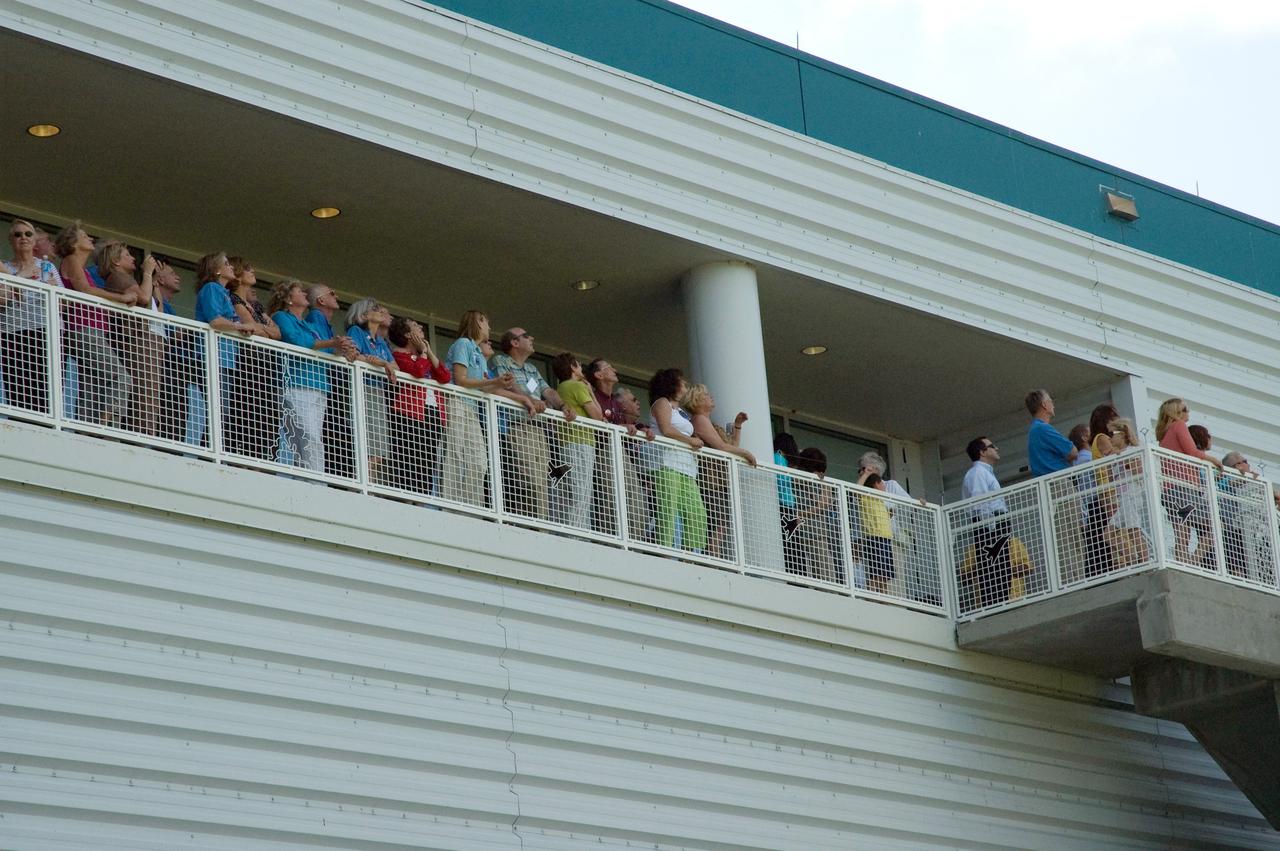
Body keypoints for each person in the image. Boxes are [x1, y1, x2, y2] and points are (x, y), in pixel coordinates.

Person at [490, 327, 575, 520]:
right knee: (528, 477)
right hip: (517, 426)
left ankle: (540, 525)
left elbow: (548, 391)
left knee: (541, 480)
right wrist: (531, 399)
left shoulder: (532, 369)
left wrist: (563, 406)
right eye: (527, 336)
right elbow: (510, 384)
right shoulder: (500, 361)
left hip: (538, 429)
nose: (532, 338)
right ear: (515, 342)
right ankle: (527, 522)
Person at [56, 222, 135, 427]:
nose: (90, 238)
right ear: (73, 243)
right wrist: (122, 298)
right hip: (83, 328)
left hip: (89, 329)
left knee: (92, 384)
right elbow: (85, 290)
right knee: (121, 377)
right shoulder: (72, 260)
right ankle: (109, 425)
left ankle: (88, 430)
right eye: (84, 235)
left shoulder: (81, 267)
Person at [442, 310, 519, 506]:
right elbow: (460, 379)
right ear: (476, 323)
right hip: (457, 403)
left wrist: (501, 384)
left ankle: (471, 507)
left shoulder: (479, 353)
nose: (489, 327)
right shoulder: (463, 344)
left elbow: (484, 386)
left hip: (472, 409)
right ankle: (452, 507)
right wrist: (495, 380)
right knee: (455, 456)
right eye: (486, 322)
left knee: (479, 462)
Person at [96, 240, 162, 436]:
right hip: (135, 342)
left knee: (148, 395)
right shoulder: (119, 277)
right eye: (127, 255)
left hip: (138, 340)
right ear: (116, 261)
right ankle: (139, 438)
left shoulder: (124, 277)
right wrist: (148, 273)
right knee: (144, 394)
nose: (134, 258)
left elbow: (153, 304)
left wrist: (153, 281)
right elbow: (143, 298)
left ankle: (142, 436)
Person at [268, 280, 335, 472]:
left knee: (312, 437)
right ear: (289, 298)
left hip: (319, 385)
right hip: (297, 383)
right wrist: (327, 343)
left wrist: (341, 348)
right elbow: (296, 340)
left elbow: (326, 349)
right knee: (308, 436)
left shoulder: (307, 324)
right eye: (300, 291)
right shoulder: (281, 316)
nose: (305, 293)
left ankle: (308, 479)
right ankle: (316, 481)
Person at [684, 382, 754, 559]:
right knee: (716, 525)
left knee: (720, 525)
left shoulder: (708, 422)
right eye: (706, 394)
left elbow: (730, 447)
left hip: (718, 481)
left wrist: (737, 426)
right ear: (697, 400)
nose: (710, 396)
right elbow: (721, 447)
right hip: (710, 481)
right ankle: (711, 560)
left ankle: (712, 558)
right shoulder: (699, 420)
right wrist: (747, 454)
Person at [194, 251, 254, 455]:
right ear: (217, 270)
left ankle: (214, 453)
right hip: (212, 356)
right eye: (226, 264)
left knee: (221, 410)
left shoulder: (224, 293)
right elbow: (215, 320)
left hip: (225, 359)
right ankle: (210, 455)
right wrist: (239, 326)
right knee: (218, 410)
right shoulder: (212, 288)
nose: (231, 267)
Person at [386, 316, 451, 497]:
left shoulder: (424, 356)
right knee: (410, 459)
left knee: (428, 461)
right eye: (416, 326)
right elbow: (418, 371)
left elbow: (445, 377)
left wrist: (428, 352)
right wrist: (423, 354)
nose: (421, 327)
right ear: (408, 335)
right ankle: (408, 499)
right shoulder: (398, 355)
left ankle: (422, 499)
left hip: (433, 413)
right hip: (410, 412)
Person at [1, 219, 60, 414]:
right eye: (17, 235)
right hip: (13, 331)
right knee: (17, 383)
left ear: (34, 241)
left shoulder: (47, 267)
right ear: (11, 240)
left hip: (44, 328)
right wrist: (23, 275)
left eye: (28, 234)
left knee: (44, 382)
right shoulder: (5, 267)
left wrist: (52, 290)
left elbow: (63, 301)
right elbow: (2, 298)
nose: (23, 238)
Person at [1156, 398, 1223, 566]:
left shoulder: (1164, 436)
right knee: (1215, 524)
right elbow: (1192, 452)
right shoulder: (1178, 426)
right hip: (1184, 488)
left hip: (1171, 490)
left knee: (1182, 531)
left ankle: (1184, 563)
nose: (1188, 412)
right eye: (1185, 409)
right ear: (1176, 412)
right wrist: (1212, 459)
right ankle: (1192, 561)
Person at [649, 368, 706, 553]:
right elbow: (666, 429)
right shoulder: (662, 403)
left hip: (686, 467)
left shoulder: (680, 411)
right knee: (668, 509)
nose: (686, 386)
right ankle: (665, 553)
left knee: (696, 512)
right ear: (672, 384)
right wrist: (691, 441)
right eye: (683, 382)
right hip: (667, 463)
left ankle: (690, 555)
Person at [152, 262, 208, 447]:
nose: (178, 277)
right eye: (172, 273)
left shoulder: (169, 307)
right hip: (168, 368)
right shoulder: (159, 303)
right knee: (171, 413)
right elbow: (169, 332)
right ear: (159, 279)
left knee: (182, 412)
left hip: (180, 368)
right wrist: (192, 332)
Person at [305, 283, 356, 476]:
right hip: (320, 382)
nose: (336, 295)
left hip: (326, 384)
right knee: (324, 433)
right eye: (331, 293)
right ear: (321, 301)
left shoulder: (324, 321)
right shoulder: (315, 317)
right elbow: (322, 348)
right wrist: (339, 349)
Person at [346, 299, 399, 484]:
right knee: (366, 444)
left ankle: (369, 484)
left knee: (378, 448)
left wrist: (377, 361)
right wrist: (382, 363)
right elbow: (355, 356)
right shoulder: (356, 331)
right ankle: (362, 486)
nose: (380, 311)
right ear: (363, 315)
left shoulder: (381, 342)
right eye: (374, 309)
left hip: (378, 392)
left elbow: (396, 366)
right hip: (363, 389)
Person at [550, 352, 603, 530]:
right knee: (582, 491)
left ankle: (574, 531)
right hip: (581, 442)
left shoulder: (561, 388)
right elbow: (598, 416)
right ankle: (578, 533)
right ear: (573, 367)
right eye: (579, 365)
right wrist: (590, 392)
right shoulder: (576, 386)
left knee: (572, 490)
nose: (581, 368)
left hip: (566, 443)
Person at [962, 436, 1012, 609]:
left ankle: (1002, 604)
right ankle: (996, 606)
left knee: (1002, 568)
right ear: (982, 452)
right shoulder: (978, 473)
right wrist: (992, 527)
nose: (996, 449)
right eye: (992, 446)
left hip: (994, 523)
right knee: (993, 569)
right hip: (990, 525)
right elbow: (980, 501)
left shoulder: (985, 472)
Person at [1104, 418, 1150, 568]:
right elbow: (1112, 478)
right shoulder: (1114, 455)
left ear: (1122, 435)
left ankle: (1144, 561)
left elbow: (1139, 470)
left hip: (1132, 496)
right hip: (1121, 498)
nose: (1110, 438)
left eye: (1112, 434)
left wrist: (1121, 457)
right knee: (1108, 534)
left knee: (1133, 531)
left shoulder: (1131, 451)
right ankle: (1133, 560)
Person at [613, 385, 656, 541]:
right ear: (622, 405)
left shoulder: (641, 427)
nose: (638, 403)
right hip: (622, 482)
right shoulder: (615, 421)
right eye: (633, 400)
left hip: (644, 486)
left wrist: (648, 433)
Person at [792, 447, 839, 582]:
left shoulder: (825, 483)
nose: (821, 473)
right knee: (801, 572)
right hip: (798, 534)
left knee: (824, 575)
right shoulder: (796, 476)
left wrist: (799, 513)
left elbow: (822, 505)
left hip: (817, 535)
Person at [1218, 451, 1260, 579]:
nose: (1248, 464)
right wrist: (1246, 478)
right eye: (1245, 461)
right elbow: (1232, 483)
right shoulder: (1226, 478)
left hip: (1242, 528)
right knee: (1236, 561)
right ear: (1238, 465)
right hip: (1228, 527)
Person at [857, 473, 896, 595]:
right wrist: (867, 473)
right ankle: (871, 597)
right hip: (874, 537)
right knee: (876, 573)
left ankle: (884, 599)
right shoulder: (866, 496)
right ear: (876, 484)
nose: (885, 486)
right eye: (882, 483)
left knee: (884, 575)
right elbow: (857, 488)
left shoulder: (882, 500)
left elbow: (886, 515)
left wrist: (890, 514)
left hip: (885, 538)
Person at [1025, 388, 1077, 476]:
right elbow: (1073, 452)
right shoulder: (1042, 428)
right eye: (1051, 401)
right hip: (1058, 482)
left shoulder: (1035, 429)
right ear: (1044, 405)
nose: (1053, 405)